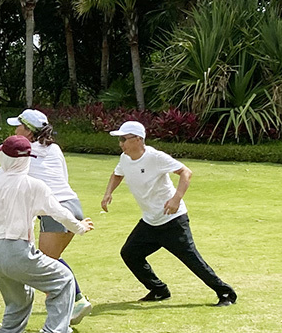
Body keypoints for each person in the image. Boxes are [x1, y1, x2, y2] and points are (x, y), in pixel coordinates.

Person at [100, 120, 237, 306]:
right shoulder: (125, 159)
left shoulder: (156, 157)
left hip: (173, 220)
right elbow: (117, 174)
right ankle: (159, 290)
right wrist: (108, 193)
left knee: (192, 260)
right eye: (120, 139)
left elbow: (186, 173)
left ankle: (226, 293)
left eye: (124, 139)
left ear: (138, 139)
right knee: (130, 253)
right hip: (150, 222)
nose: (120, 143)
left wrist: (176, 199)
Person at [0, 134, 95, 333]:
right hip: (17, 249)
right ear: (26, 159)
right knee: (64, 279)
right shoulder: (33, 185)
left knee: (20, 299)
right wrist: (79, 227)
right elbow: (59, 212)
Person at [8, 108, 94, 326]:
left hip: (54, 210)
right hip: (73, 205)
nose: (15, 131)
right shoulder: (54, 148)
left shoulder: (23, 152)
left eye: (18, 127)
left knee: (44, 266)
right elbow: (62, 177)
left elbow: (11, 180)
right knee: (51, 262)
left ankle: (74, 302)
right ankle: (73, 304)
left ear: (28, 131)